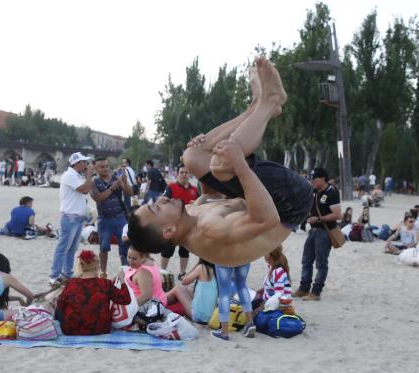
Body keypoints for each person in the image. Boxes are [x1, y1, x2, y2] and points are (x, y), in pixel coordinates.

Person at [127, 56, 312, 267]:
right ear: (168, 230)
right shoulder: (210, 230)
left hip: (264, 199)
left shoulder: (190, 215)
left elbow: (215, 195)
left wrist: (200, 148)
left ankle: (257, 107)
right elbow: (267, 219)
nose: (161, 199)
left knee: (192, 156)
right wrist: (239, 164)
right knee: (222, 165)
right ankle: (269, 100)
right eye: (156, 209)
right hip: (290, 203)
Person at [55, 250, 132, 335]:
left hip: (71, 329)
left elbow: (60, 306)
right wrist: (122, 280)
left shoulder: (71, 284)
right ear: (97, 267)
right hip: (100, 329)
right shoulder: (105, 284)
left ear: (80, 266)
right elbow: (126, 299)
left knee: (59, 305)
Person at [295, 167, 341, 301]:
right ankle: (304, 289)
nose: (311, 181)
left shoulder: (332, 193)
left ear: (322, 179)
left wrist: (319, 219)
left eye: (314, 179)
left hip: (324, 232)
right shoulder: (314, 191)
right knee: (306, 260)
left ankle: (316, 292)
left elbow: (338, 215)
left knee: (321, 263)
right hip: (313, 230)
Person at [50, 152, 95, 285]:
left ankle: (67, 274)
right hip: (70, 218)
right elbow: (85, 189)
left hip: (77, 218)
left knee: (71, 249)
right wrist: (89, 175)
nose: (86, 165)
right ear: (77, 163)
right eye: (84, 162)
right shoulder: (69, 175)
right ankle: (54, 276)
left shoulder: (75, 175)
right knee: (63, 248)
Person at [121, 247, 192, 318]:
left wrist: (128, 307)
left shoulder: (143, 272)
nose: (130, 261)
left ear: (143, 257)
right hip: (159, 298)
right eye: (129, 257)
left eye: (134, 259)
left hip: (150, 305)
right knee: (180, 289)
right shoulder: (149, 262)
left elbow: (146, 296)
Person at [91, 157, 133, 275]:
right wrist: (112, 188)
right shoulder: (93, 182)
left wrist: (124, 183)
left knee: (124, 245)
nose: (105, 169)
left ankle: (126, 271)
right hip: (104, 219)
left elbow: (129, 193)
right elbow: (98, 198)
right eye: (102, 167)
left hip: (120, 217)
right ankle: (103, 273)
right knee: (103, 247)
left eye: (107, 166)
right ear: (96, 169)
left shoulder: (116, 178)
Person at [160, 164, 198, 277]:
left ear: (190, 174)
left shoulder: (195, 190)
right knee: (167, 250)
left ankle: (182, 272)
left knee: (185, 251)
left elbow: (198, 206)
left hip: (187, 226)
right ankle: (163, 272)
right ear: (177, 174)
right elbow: (163, 201)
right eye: (181, 172)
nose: (184, 175)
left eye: (186, 172)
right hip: (172, 224)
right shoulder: (171, 187)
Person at [213, 263, 255, 341]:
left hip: (224, 256)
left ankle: (224, 332)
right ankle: (250, 323)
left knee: (224, 291)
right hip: (244, 254)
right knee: (242, 285)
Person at [253, 246, 292, 314]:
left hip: (277, 307)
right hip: (267, 302)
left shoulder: (278, 272)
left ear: (269, 255)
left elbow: (278, 297)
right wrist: (260, 291)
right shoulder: (271, 266)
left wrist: (259, 308)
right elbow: (271, 287)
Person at [179, 258, 218, 324]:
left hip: (198, 317)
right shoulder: (218, 270)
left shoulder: (201, 268)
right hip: (211, 317)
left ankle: (161, 302)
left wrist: (197, 264)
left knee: (178, 289)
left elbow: (183, 281)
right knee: (188, 289)